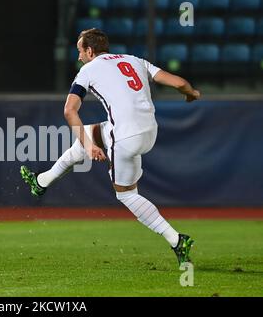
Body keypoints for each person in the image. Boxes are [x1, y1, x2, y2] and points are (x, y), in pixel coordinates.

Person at [20, 28, 200, 266]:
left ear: (90, 50)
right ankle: (41, 182)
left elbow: (69, 110)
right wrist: (191, 94)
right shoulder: (135, 60)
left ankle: (176, 239)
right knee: (86, 135)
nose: (79, 57)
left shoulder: (89, 69)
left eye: (80, 51)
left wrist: (90, 147)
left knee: (126, 194)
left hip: (125, 136)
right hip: (150, 131)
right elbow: (180, 82)